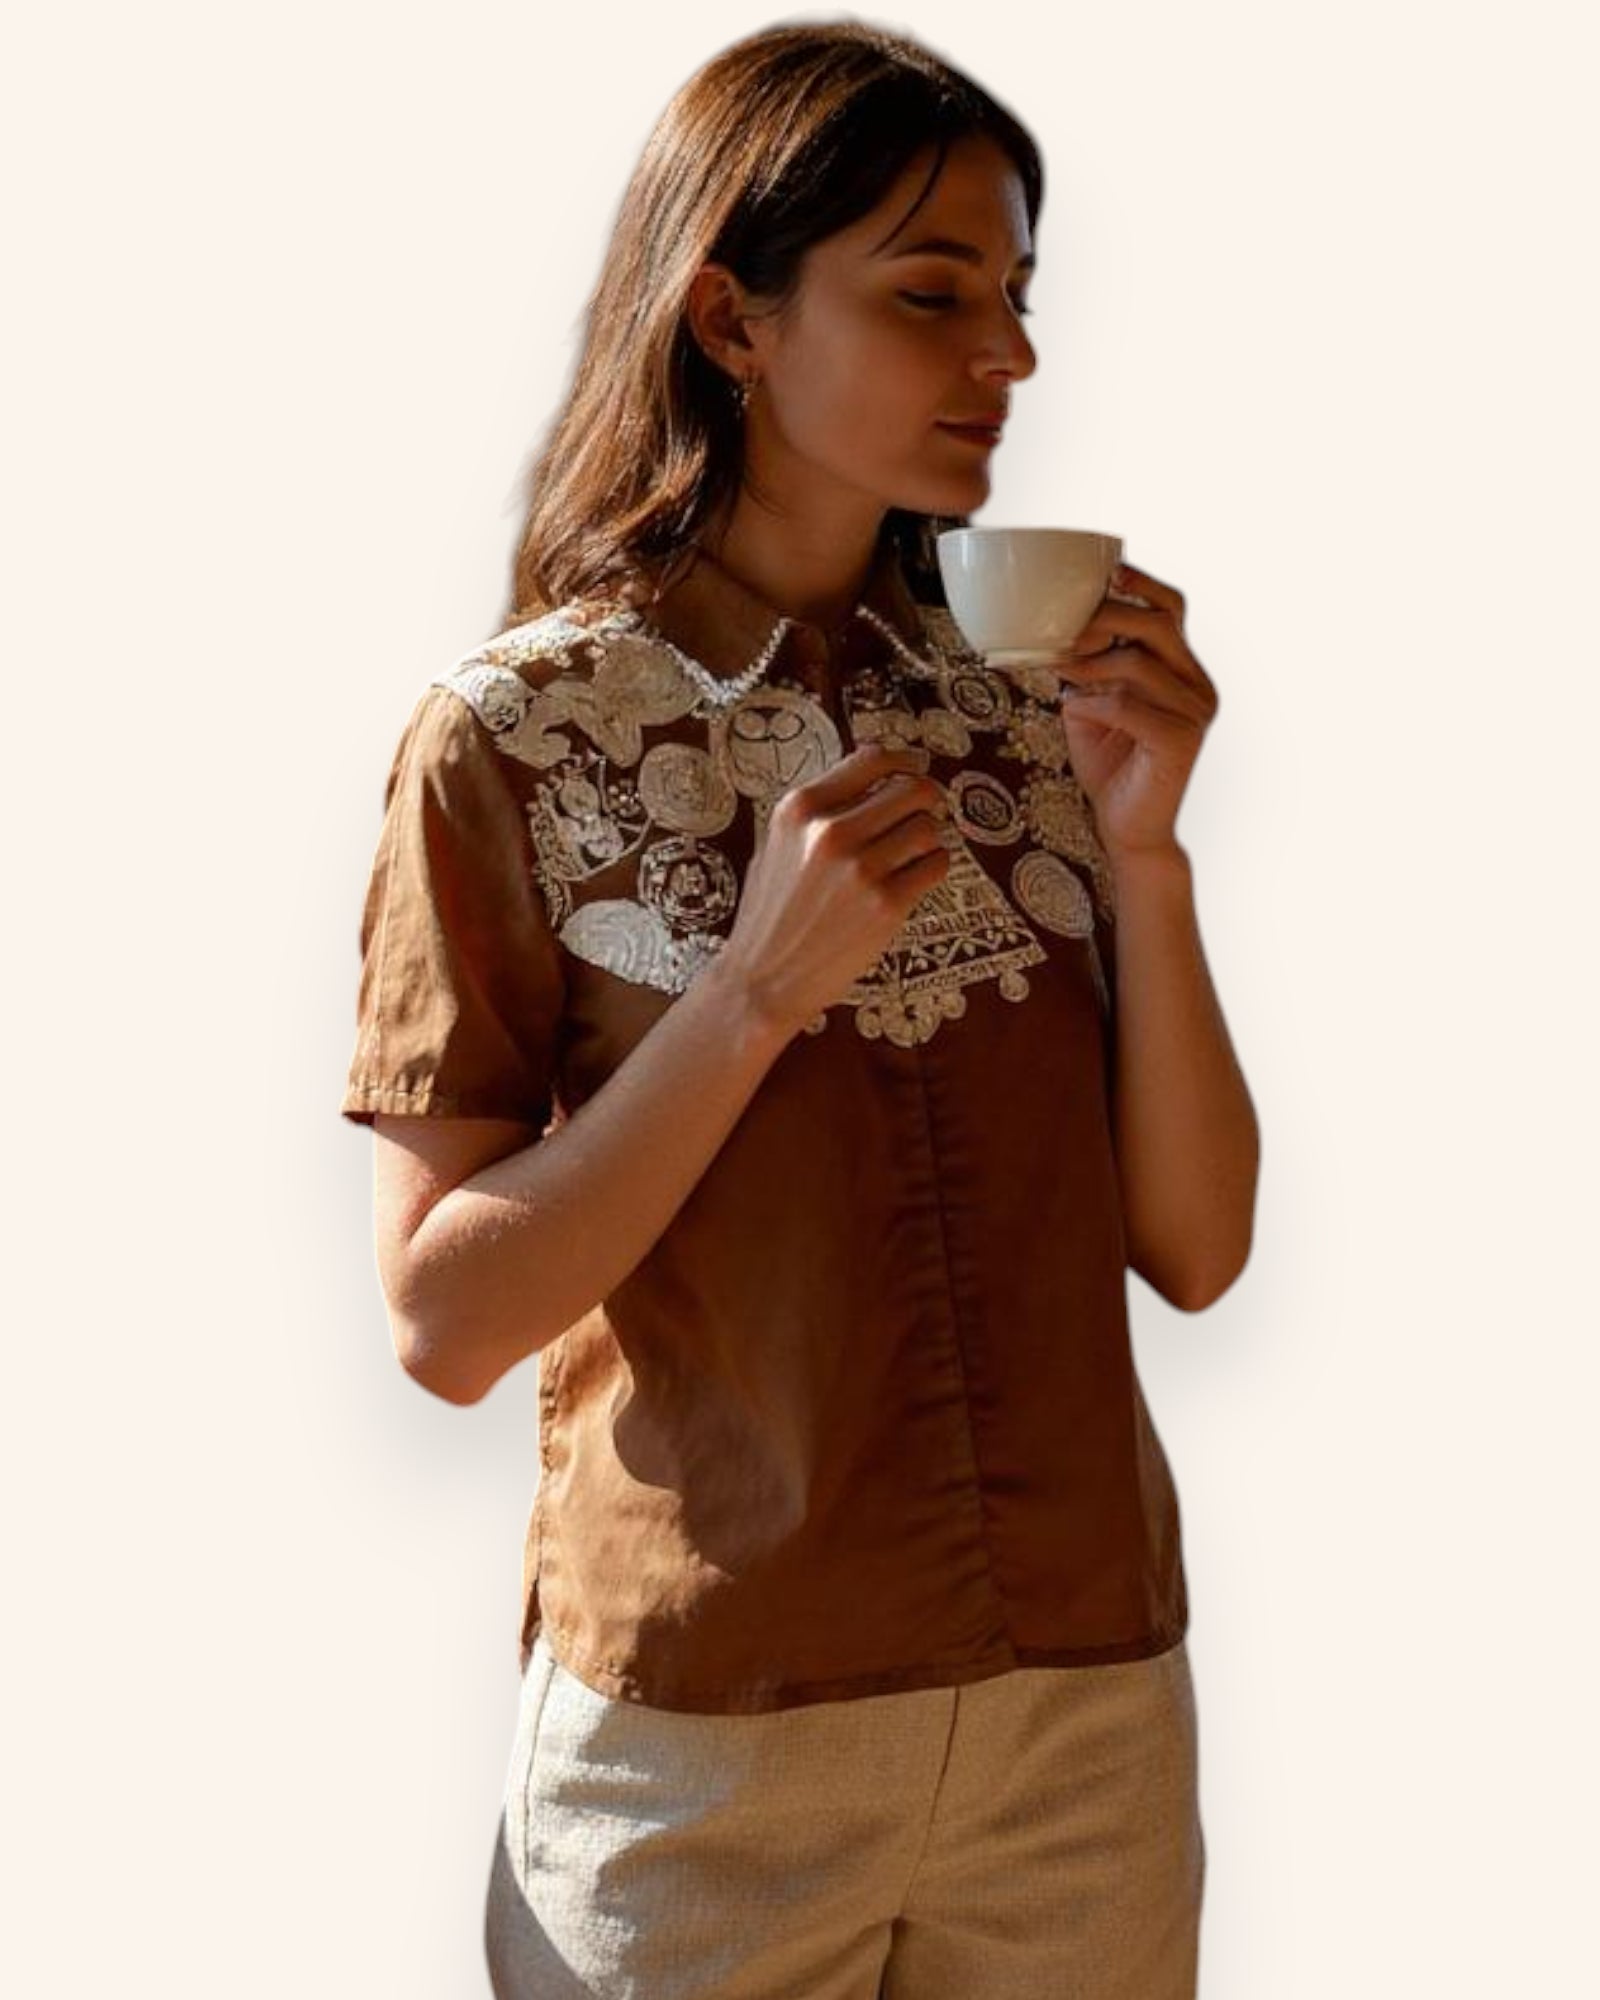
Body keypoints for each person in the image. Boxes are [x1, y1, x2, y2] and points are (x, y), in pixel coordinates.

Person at [339, 19, 1258, 1998]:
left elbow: (1191, 1247)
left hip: (1077, 1725)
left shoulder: (1022, 707)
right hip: (708, 1750)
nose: (1003, 359)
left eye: (1015, 302)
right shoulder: (508, 741)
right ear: (730, 323)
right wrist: (753, 991)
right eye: (931, 295)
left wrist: (1152, 854)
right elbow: (442, 1318)